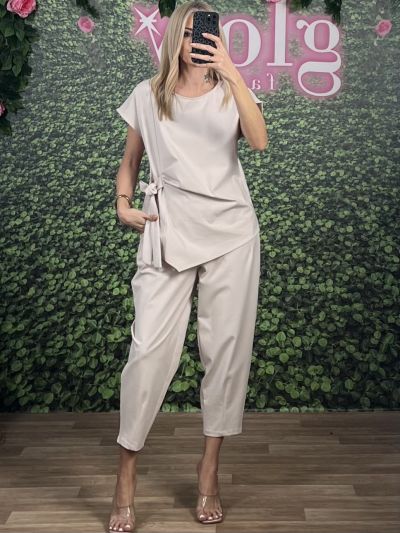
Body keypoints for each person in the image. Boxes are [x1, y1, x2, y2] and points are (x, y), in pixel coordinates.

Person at [109, 1, 268, 531]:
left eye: (208, 34)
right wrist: (123, 203)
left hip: (231, 233)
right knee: (147, 351)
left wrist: (233, 72)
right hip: (167, 229)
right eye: (191, 34)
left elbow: (260, 141)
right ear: (175, 38)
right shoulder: (147, 95)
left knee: (225, 353)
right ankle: (126, 472)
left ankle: (209, 469)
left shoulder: (230, 90)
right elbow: (130, 161)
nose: (199, 42)